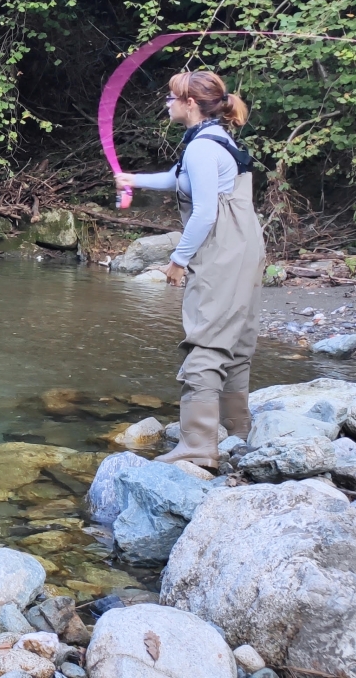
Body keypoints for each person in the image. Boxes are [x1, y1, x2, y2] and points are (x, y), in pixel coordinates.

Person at [113, 71, 263, 469]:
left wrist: (177, 260)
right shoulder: (217, 139)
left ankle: (198, 444)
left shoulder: (200, 148)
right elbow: (181, 181)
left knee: (206, 340)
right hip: (246, 247)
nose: (167, 103)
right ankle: (235, 429)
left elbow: (204, 213)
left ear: (190, 104)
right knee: (237, 338)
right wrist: (134, 179)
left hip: (223, 250)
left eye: (171, 97)